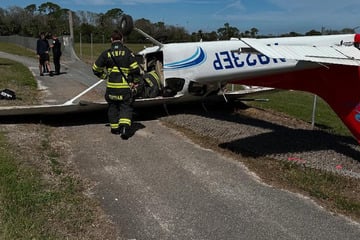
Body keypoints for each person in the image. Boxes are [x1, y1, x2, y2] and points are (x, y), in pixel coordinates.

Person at [92, 30, 140, 139]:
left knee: (112, 107)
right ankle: (124, 128)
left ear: (111, 40)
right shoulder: (127, 53)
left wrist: (105, 76)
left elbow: (95, 69)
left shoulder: (106, 53)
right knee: (126, 107)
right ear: (122, 40)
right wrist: (135, 82)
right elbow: (136, 69)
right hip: (124, 88)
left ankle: (114, 129)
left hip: (111, 89)